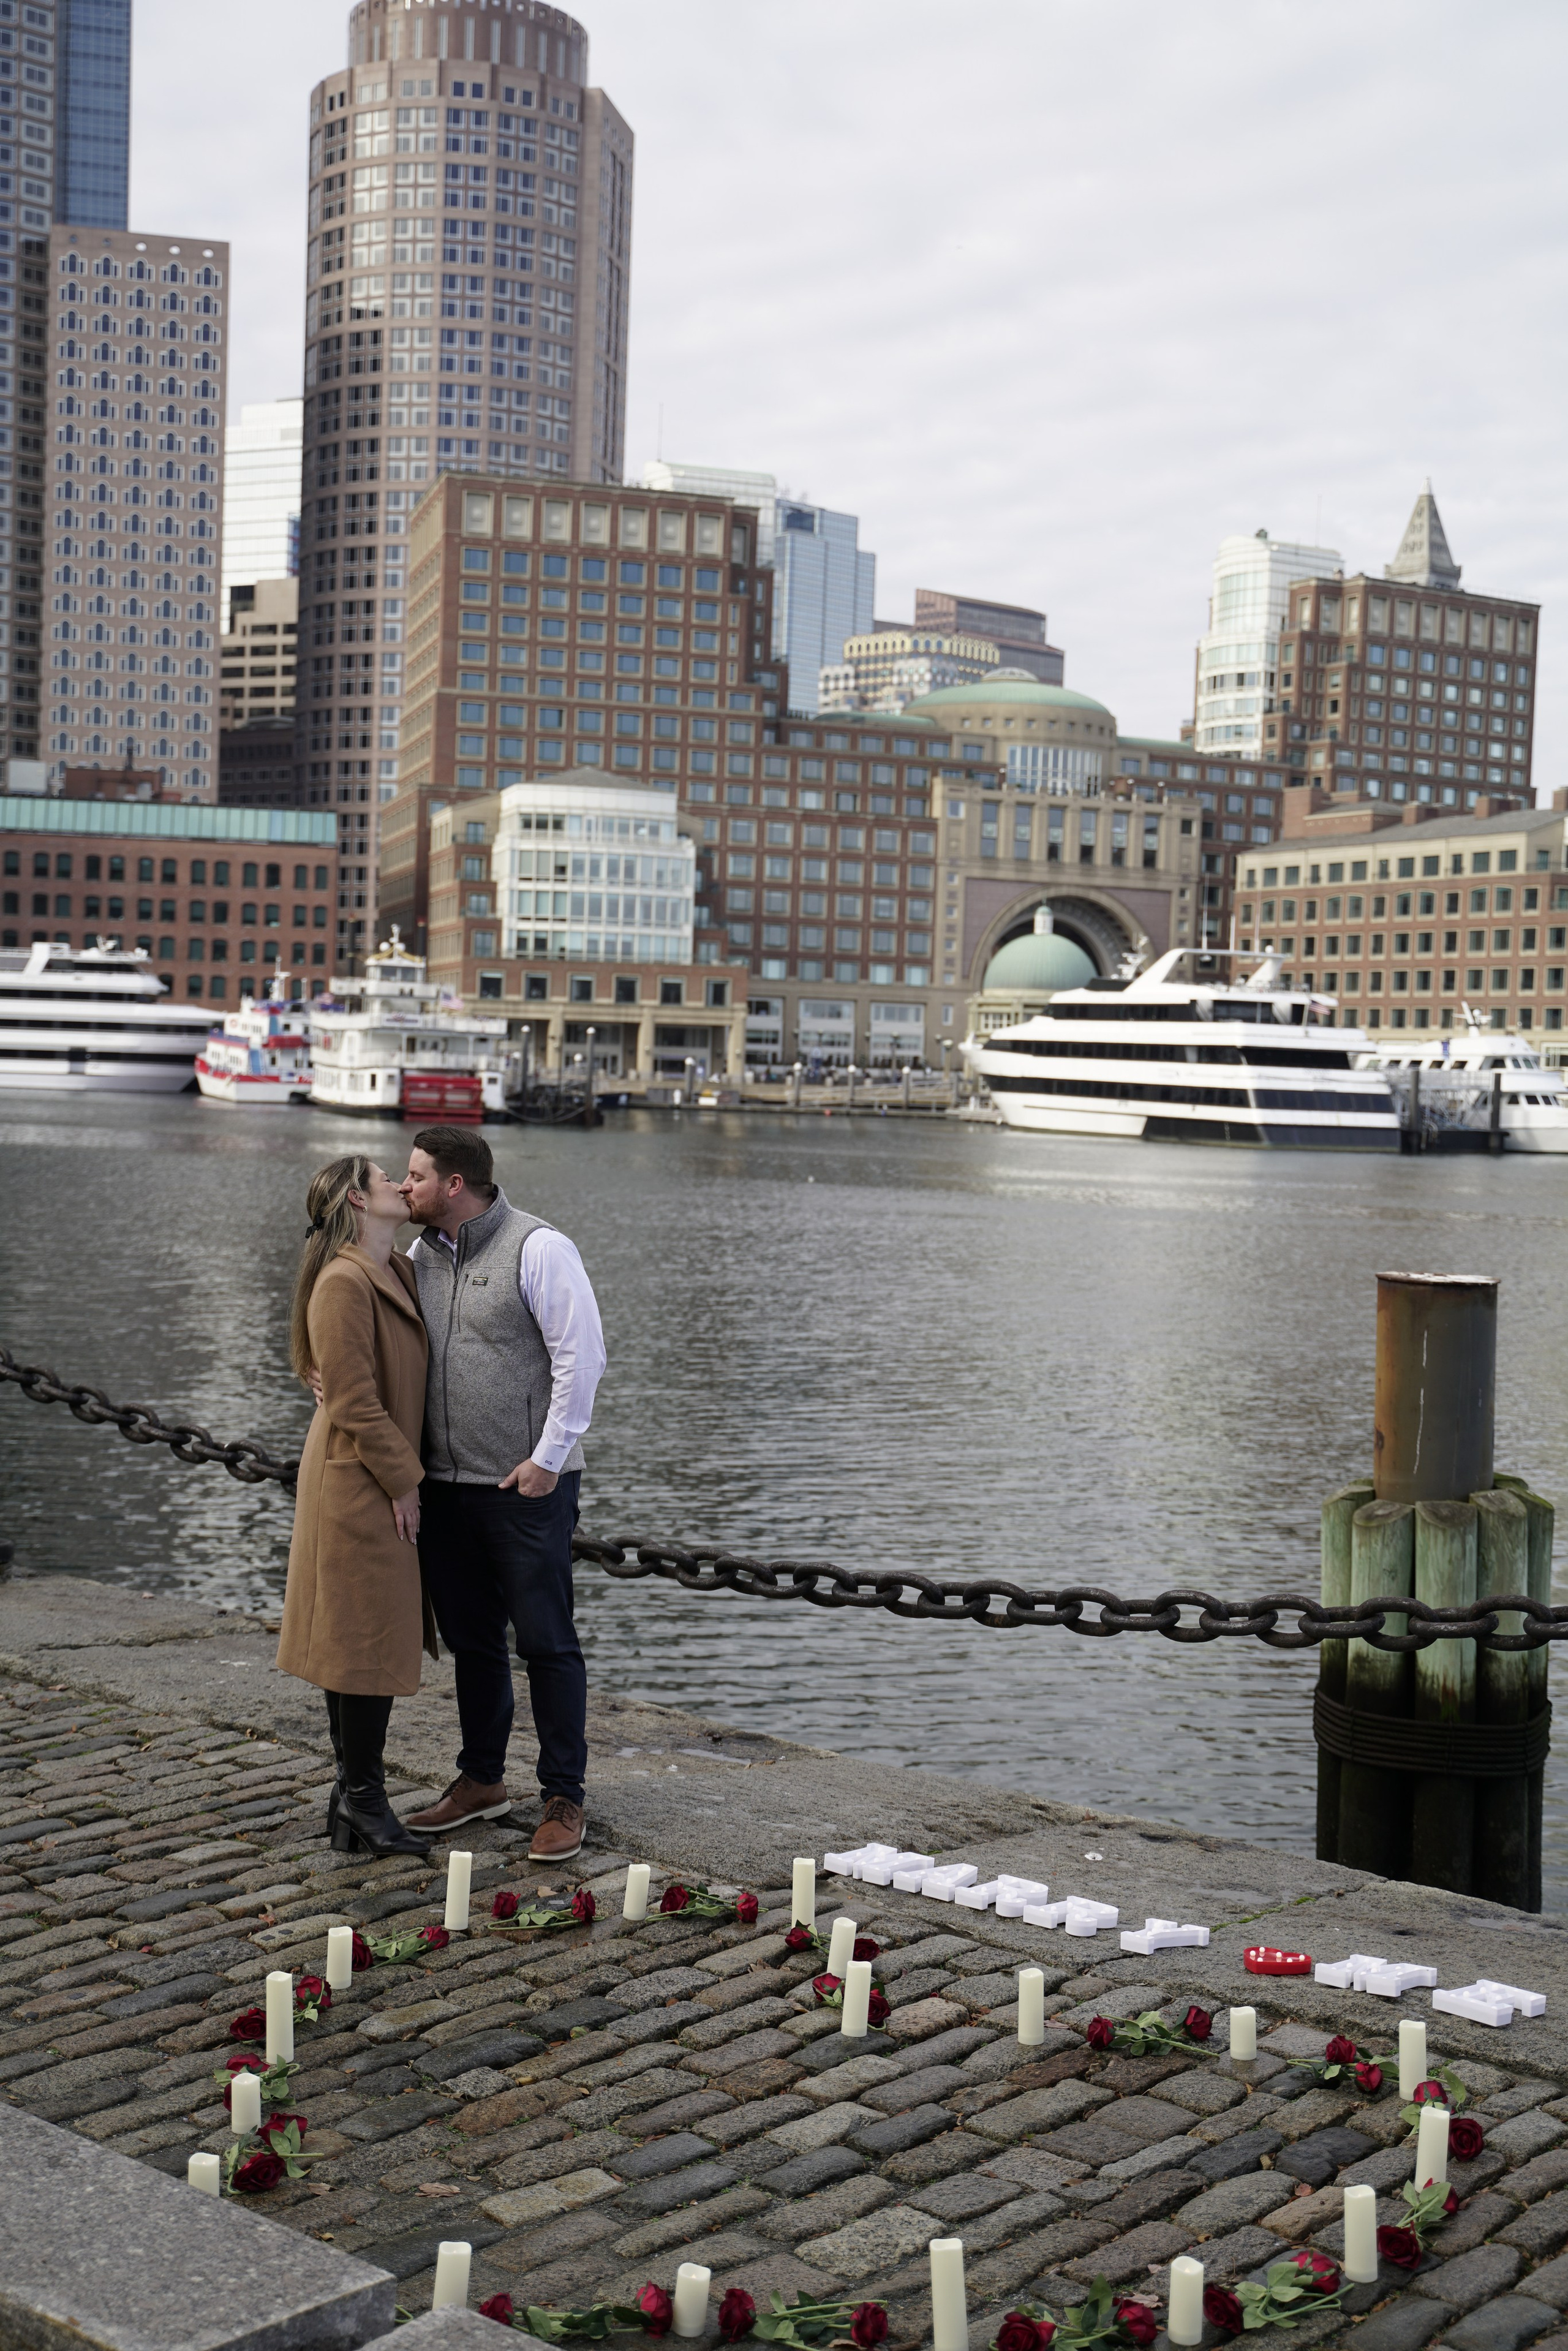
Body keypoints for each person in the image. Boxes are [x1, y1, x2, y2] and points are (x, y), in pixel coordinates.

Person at [399, 1125, 606, 1861]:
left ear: (455, 1185)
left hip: (526, 1485)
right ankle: (482, 1780)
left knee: (547, 1643)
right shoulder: (420, 1255)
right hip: (446, 1487)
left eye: (417, 1175)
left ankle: (563, 1795)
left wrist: (548, 1459)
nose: (405, 1185)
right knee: (472, 1641)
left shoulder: (539, 1247)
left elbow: (583, 1356)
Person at [276, 1154, 433, 1859]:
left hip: (369, 1472)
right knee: (361, 1639)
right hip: (358, 1477)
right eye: (386, 1178)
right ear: (356, 1200)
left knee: (362, 1636)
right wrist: (406, 1481)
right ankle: (363, 1797)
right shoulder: (344, 1279)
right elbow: (352, 1401)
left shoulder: (393, 1267)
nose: (403, 1184)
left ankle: (353, 1795)